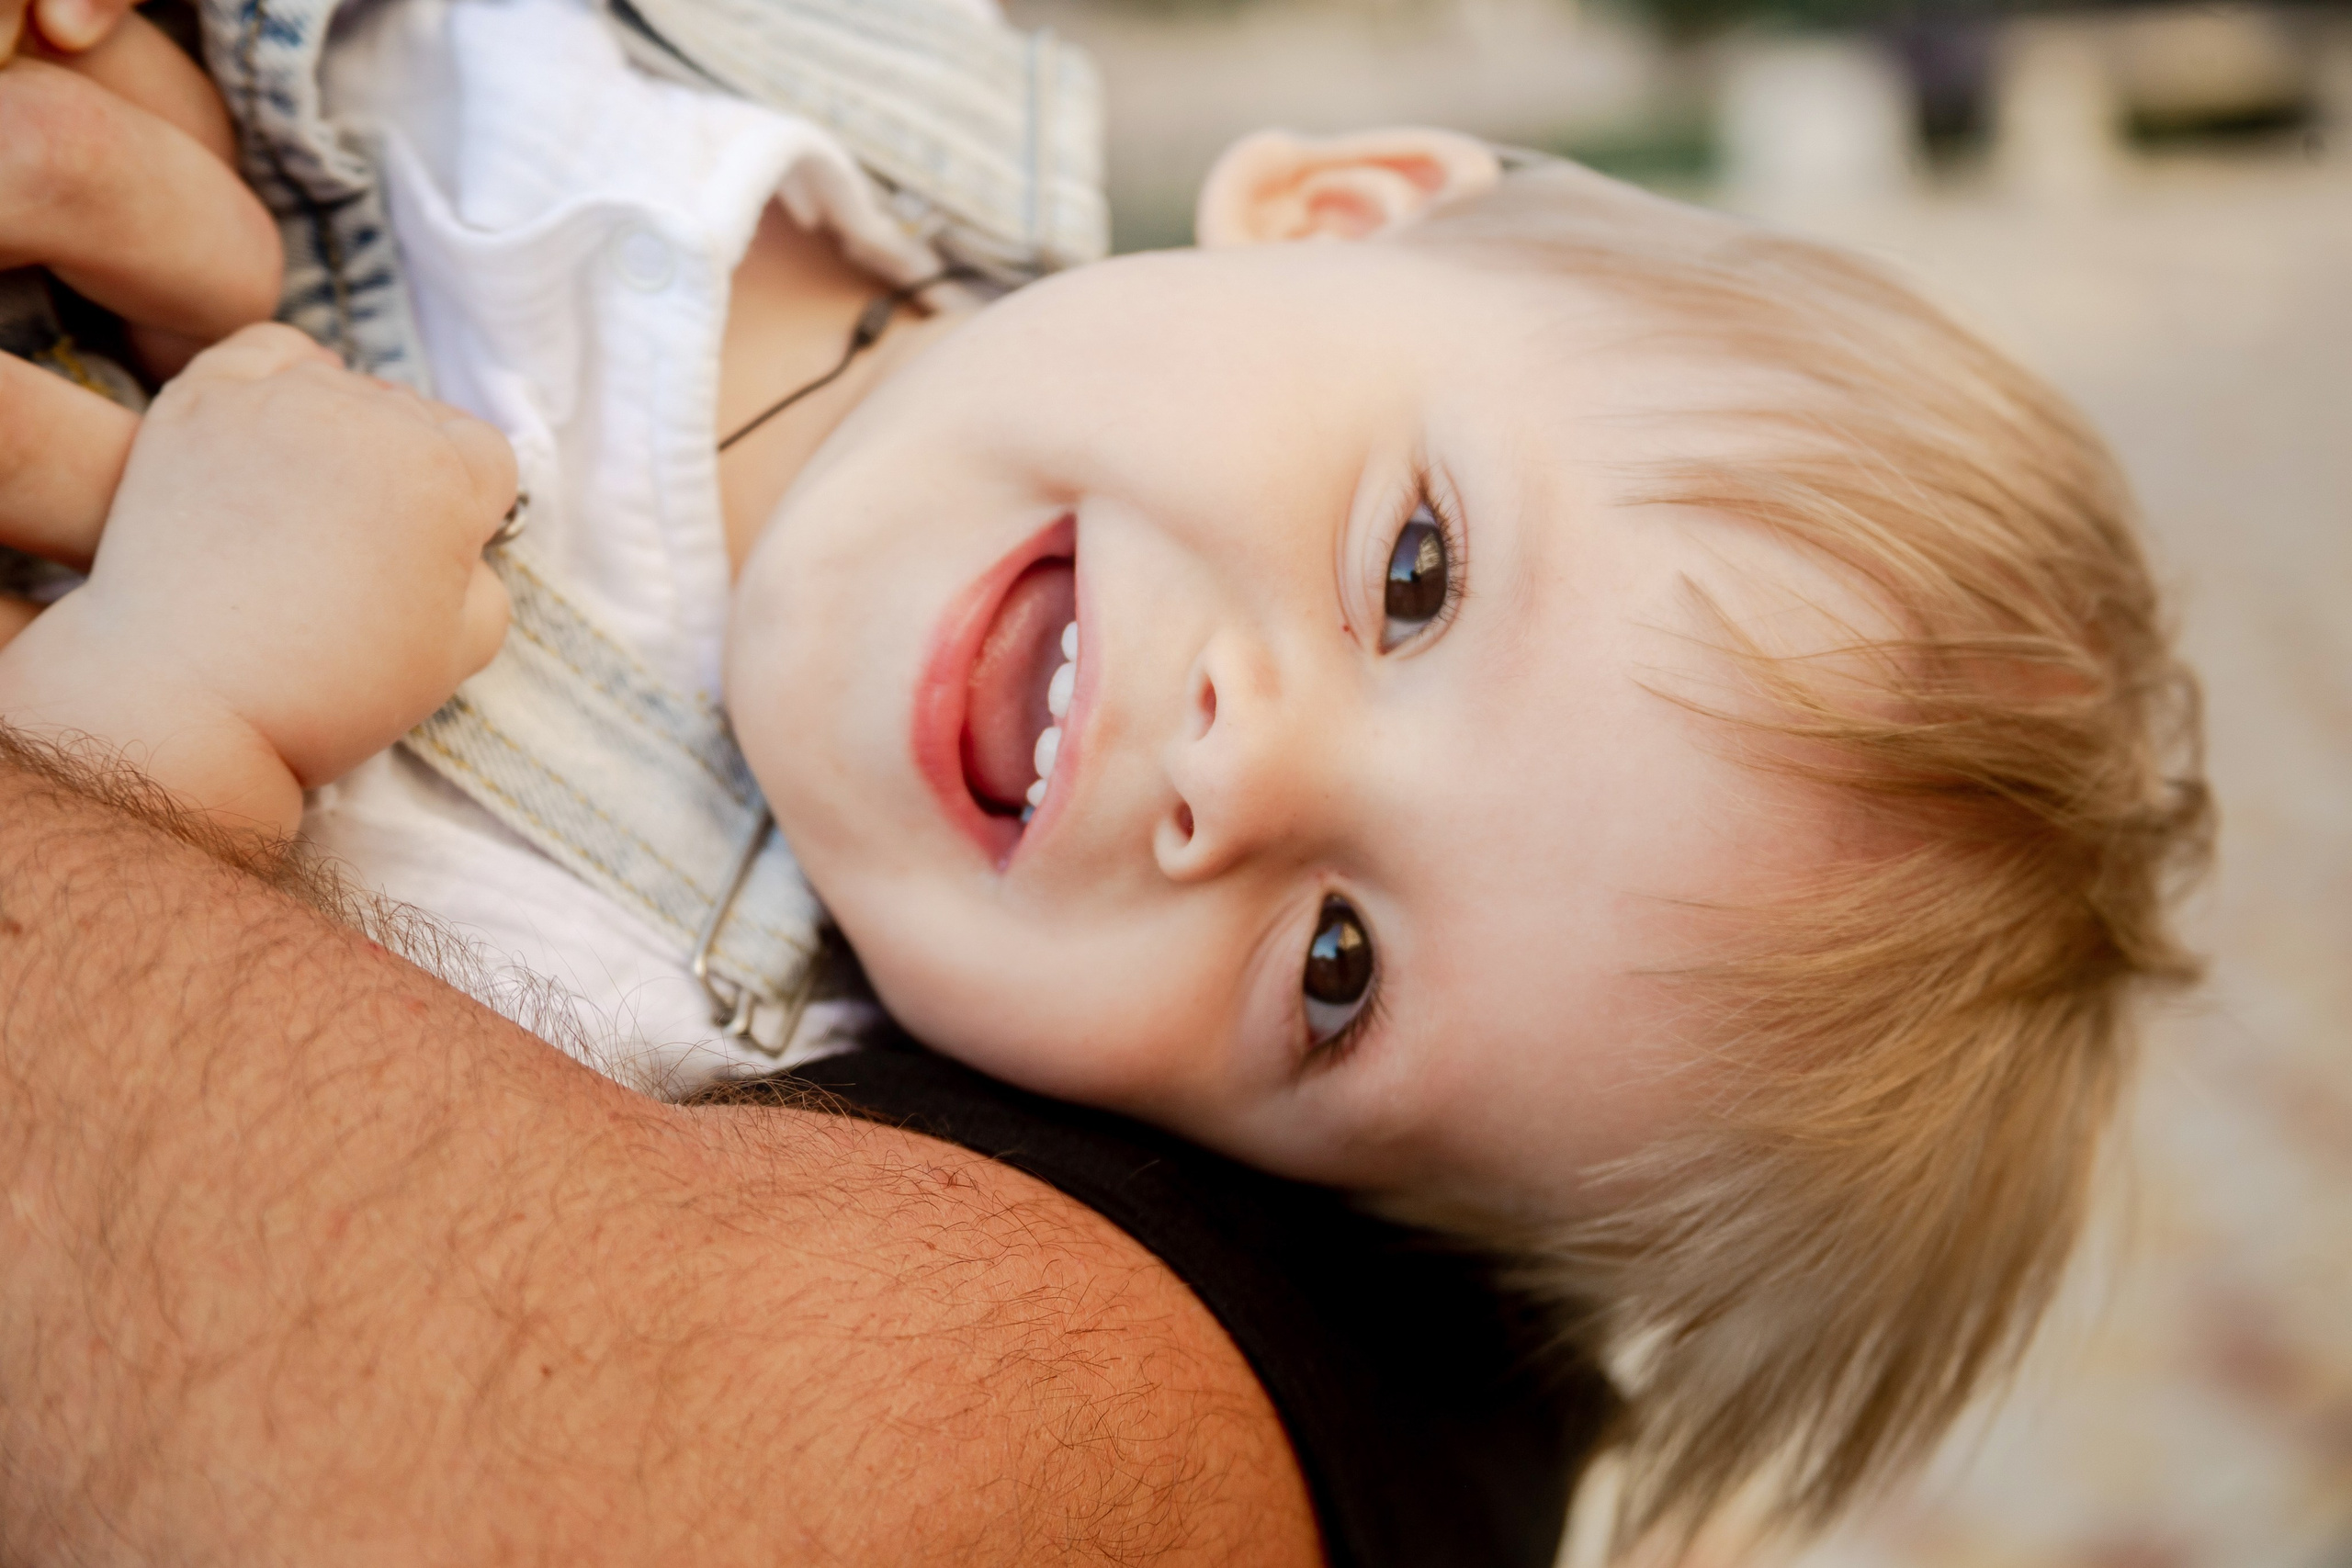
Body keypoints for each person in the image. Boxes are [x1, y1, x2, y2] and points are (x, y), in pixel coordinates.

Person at [0, 0, 2212, 1554]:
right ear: (1345, 206)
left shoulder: (596, 1018)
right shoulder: (796, 60)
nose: (1240, 774)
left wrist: (166, 719)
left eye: (1335, 968)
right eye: (1415, 573)